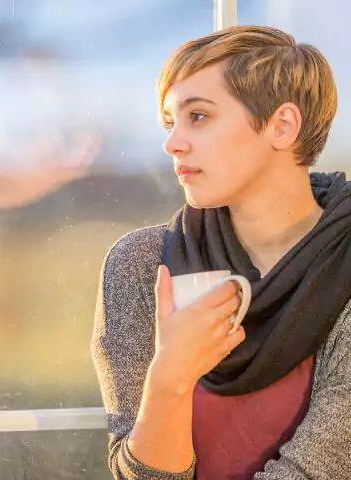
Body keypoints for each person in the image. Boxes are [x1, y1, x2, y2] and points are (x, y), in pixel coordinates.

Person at [91, 25, 351, 479]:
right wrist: (170, 376)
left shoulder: (345, 264)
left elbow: (316, 472)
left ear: (282, 125)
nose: (172, 143)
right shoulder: (141, 266)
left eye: (199, 117)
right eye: (170, 122)